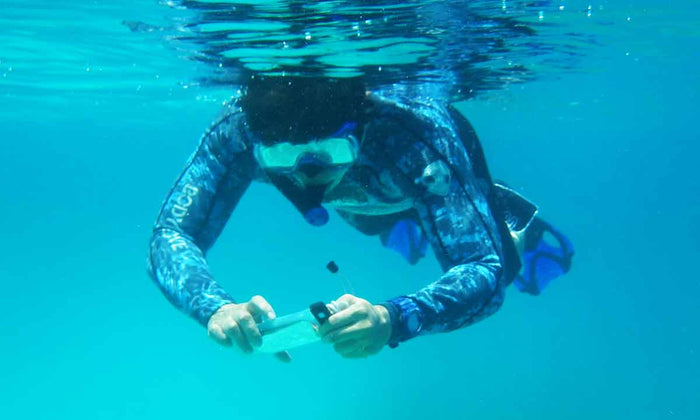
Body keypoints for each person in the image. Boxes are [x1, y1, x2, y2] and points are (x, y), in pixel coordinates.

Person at [147, 76, 573, 360]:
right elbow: (172, 233)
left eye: (331, 153)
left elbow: (484, 269)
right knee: (366, 216)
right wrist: (214, 308)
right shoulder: (238, 134)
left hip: (422, 177)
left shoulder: (411, 135)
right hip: (371, 199)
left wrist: (392, 318)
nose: (306, 177)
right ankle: (399, 219)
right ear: (260, 145)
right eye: (282, 159)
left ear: (360, 129)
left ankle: (499, 216)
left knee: (505, 262)